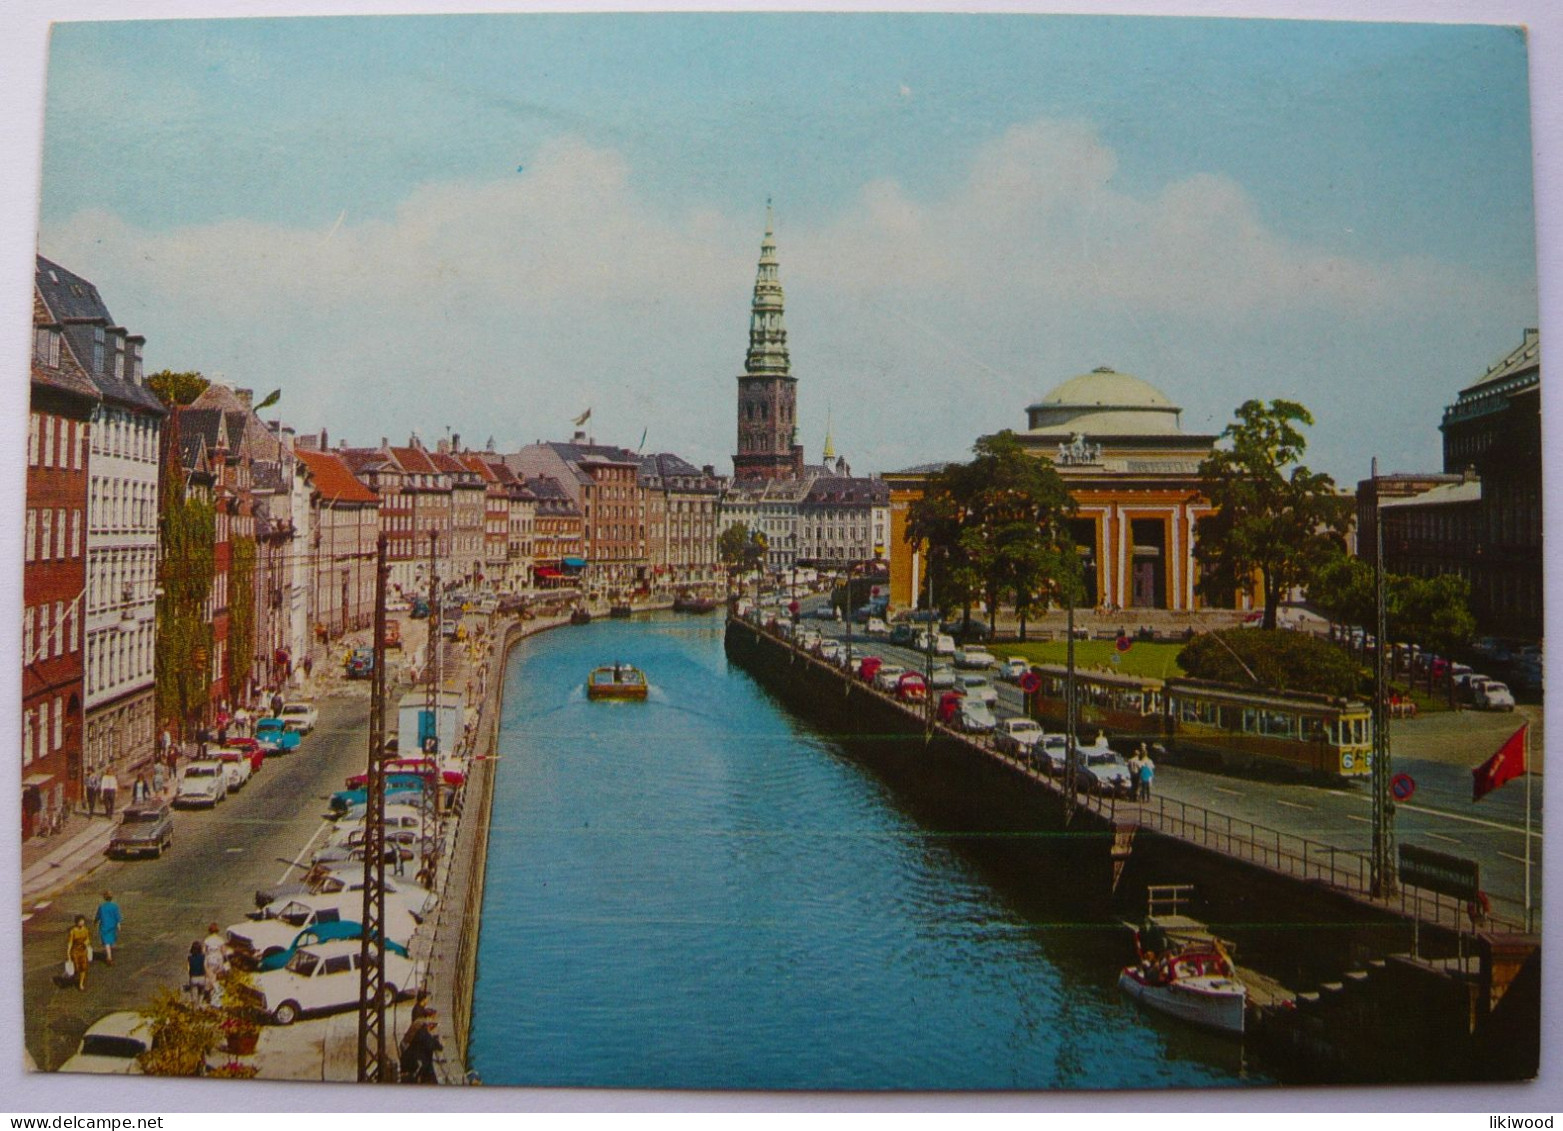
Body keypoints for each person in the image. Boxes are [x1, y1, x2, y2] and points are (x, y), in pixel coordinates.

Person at [94, 891, 122, 965]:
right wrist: (118, 924)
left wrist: (95, 921)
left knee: (106, 942)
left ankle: (109, 956)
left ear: (104, 898)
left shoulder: (102, 907)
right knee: (111, 940)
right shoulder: (114, 906)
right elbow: (117, 915)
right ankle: (110, 953)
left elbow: (98, 916)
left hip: (104, 926)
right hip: (112, 926)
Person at [66, 915, 91, 991]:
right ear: (77, 922)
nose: (82, 923)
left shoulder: (85, 930)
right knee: (77, 968)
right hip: (75, 951)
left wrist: (87, 943)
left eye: (83, 921)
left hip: (83, 951)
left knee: (83, 968)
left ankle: (81, 984)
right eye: (80, 921)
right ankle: (75, 977)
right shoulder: (73, 931)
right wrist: (68, 954)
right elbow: (70, 943)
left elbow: (88, 939)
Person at [202, 922, 228, 991]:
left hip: (210, 958)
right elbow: (224, 952)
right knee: (217, 975)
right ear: (217, 931)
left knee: (210, 975)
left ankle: (212, 990)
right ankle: (217, 990)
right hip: (218, 958)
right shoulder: (220, 940)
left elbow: (203, 952)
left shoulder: (207, 940)